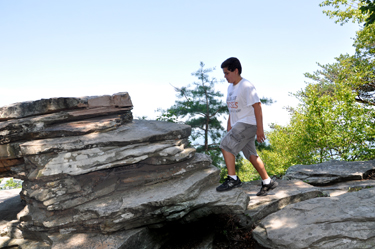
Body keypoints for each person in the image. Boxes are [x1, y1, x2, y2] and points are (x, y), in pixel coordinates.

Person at [216, 57, 278, 196]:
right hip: (238, 124)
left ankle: (233, 179)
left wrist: (260, 130)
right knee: (250, 154)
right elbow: (232, 109)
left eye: (227, 73)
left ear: (236, 70)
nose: (225, 76)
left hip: (248, 124)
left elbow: (257, 106)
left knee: (225, 145)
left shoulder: (246, 86)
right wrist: (229, 126)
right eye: (224, 73)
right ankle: (267, 181)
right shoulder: (230, 88)